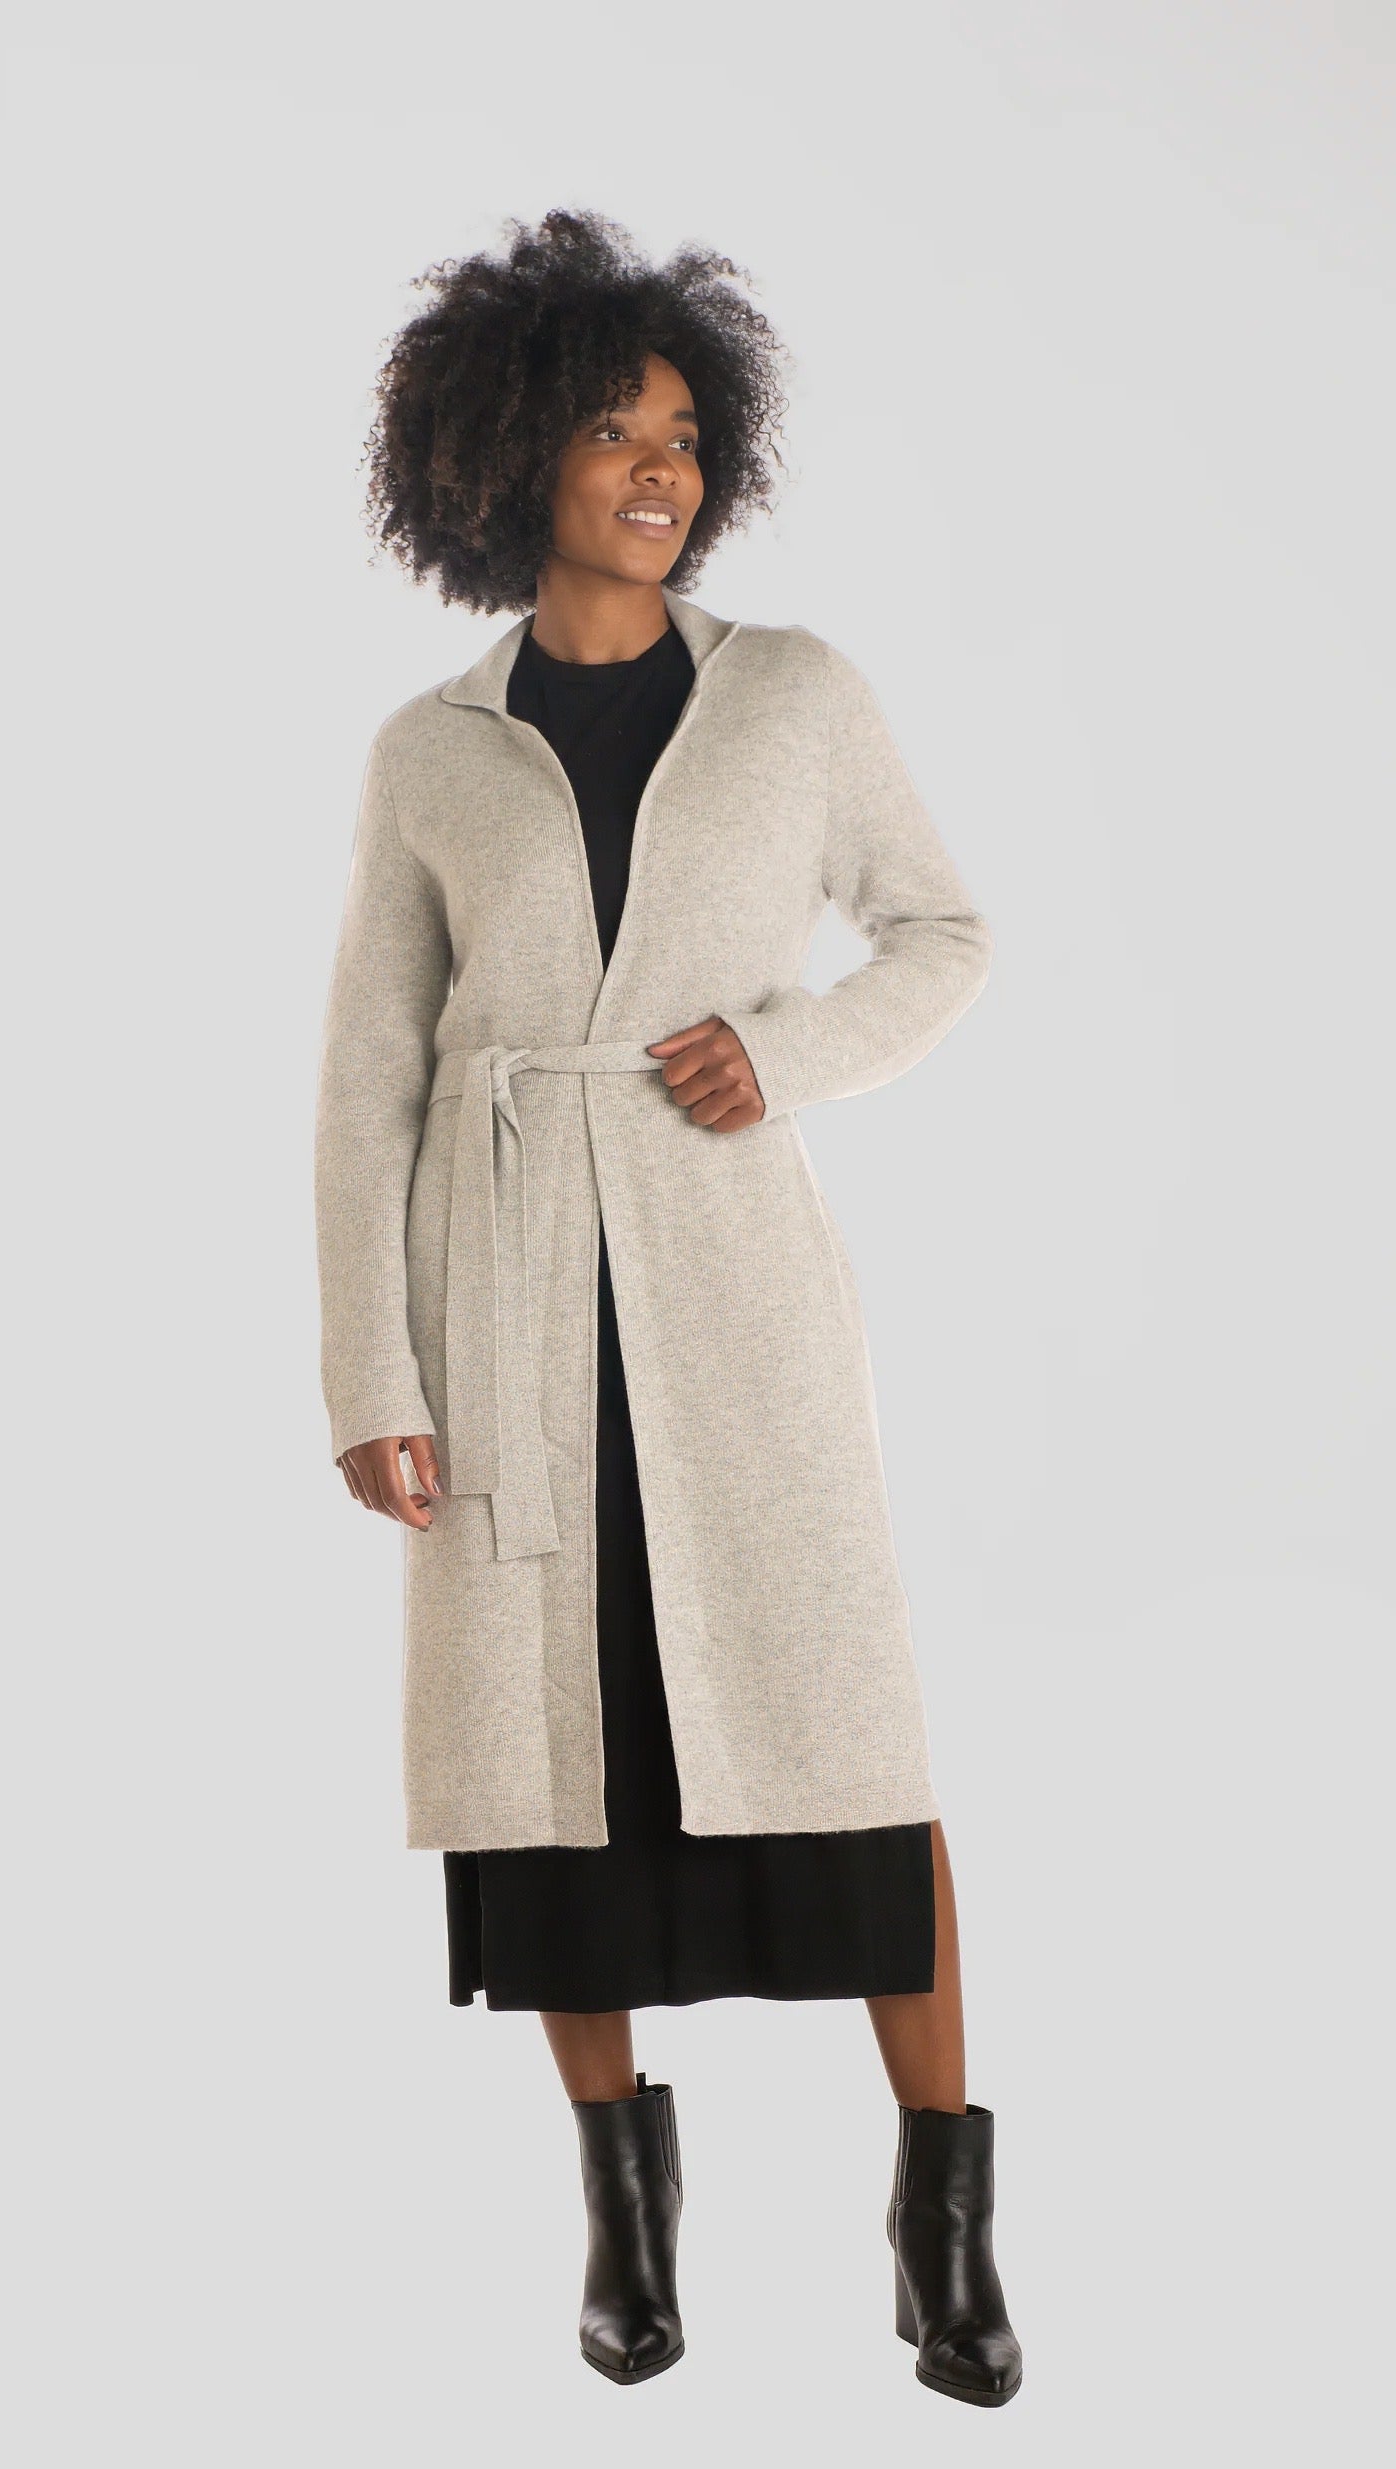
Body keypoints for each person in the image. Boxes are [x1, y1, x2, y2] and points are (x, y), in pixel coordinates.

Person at [313, 209, 1021, 2406]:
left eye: (685, 435)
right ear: (504, 453)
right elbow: (367, 1077)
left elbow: (940, 932)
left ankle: (941, 2220)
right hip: (509, 1296)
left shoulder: (792, 692)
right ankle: (625, 2215)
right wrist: (369, 1367)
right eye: (614, 430)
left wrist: (780, 1053)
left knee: (848, 1736)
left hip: (730, 1297)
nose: (658, 468)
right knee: (550, 1773)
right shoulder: (431, 749)